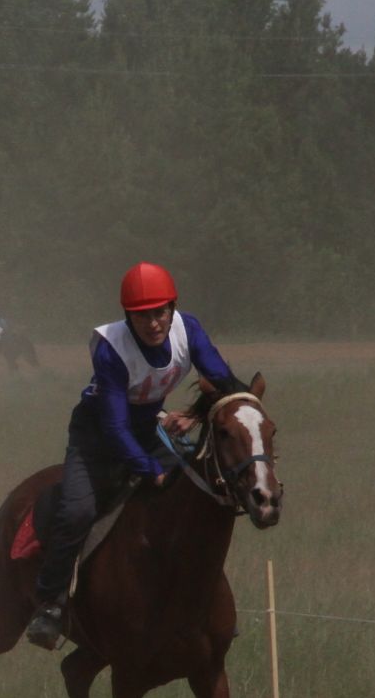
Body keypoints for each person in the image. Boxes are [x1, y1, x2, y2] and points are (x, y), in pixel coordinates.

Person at [24, 262, 238, 649]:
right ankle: (50, 605)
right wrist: (149, 468)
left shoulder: (188, 329)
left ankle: (204, 604)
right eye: (142, 315)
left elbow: (222, 380)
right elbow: (114, 429)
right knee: (77, 513)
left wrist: (207, 411)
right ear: (128, 316)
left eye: (160, 312)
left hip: (144, 429)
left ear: (172, 307)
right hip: (96, 440)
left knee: (198, 495)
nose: (153, 323)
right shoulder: (110, 349)